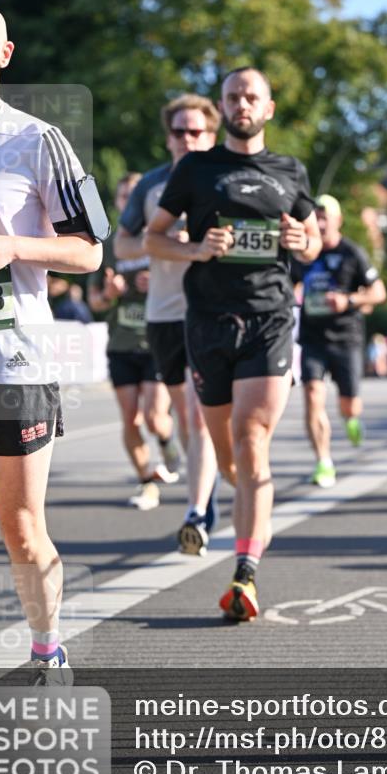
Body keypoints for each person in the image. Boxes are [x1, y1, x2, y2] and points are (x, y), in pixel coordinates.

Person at [0, 0, 108, 747]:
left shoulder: (39, 143)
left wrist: (17, 249)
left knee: (22, 533)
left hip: (15, 361)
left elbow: (90, 252)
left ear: (2, 55)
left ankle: (48, 649)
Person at [144, 67, 322, 620]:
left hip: (269, 317)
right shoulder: (196, 169)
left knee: (252, 440)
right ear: (223, 108)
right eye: (233, 97)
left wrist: (303, 240)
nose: (242, 104)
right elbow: (152, 238)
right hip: (208, 322)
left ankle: (245, 574)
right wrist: (195, 250)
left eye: (252, 97)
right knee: (227, 456)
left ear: (268, 108)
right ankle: (233, 502)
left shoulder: (289, 171)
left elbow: (314, 241)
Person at [115, 95, 221, 550]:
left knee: (199, 416)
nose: (187, 139)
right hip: (162, 313)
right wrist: (157, 242)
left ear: (211, 135)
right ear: (168, 136)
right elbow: (121, 246)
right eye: (179, 131)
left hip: (211, 312)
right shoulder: (152, 185)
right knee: (183, 414)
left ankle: (198, 511)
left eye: (196, 131)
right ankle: (205, 489)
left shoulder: (225, 179)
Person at [88, 173, 178, 511]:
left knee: (155, 417)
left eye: (135, 195)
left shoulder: (163, 238)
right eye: (124, 196)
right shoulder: (109, 247)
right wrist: (110, 295)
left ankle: (168, 443)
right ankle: (146, 482)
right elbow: (94, 302)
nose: (130, 200)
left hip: (157, 340)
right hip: (122, 344)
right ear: (119, 203)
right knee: (130, 419)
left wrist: (158, 281)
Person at [292, 194, 386, 488]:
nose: (319, 222)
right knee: (312, 395)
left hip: (346, 338)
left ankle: (352, 420)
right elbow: (290, 284)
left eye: (325, 217)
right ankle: (323, 462)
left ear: (338, 220)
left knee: (349, 406)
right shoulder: (304, 253)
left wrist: (348, 300)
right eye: (315, 217)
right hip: (312, 338)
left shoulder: (351, 253)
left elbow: (378, 292)